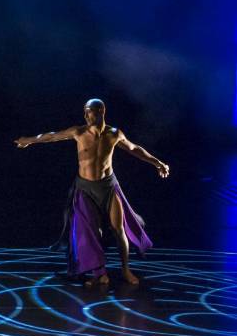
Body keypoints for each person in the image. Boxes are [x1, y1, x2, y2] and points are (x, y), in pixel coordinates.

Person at [15, 98, 169, 286]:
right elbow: (52, 136)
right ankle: (100, 274)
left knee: (119, 228)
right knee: (93, 232)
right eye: (85, 112)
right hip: (85, 188)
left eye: (90, 111)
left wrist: (157, 163)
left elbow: (134, 149)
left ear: (101, 111)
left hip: (108, 187)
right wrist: (28, 141)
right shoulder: (78, 132)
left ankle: (125, 270)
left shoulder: (114, 134)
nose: (86, 116)